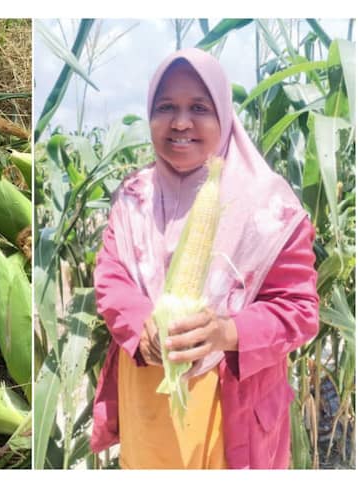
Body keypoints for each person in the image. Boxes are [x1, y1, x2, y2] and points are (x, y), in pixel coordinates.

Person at [91, 47, 319, 469]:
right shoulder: (134, 196)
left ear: (224, 117)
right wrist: (142, 326)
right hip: (147, 400)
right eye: (166, 107)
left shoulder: (270, 210)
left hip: (230, 409)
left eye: (198, 107)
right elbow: (111, 278)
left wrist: (225, 333)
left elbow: (300, 310)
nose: (180, 122)